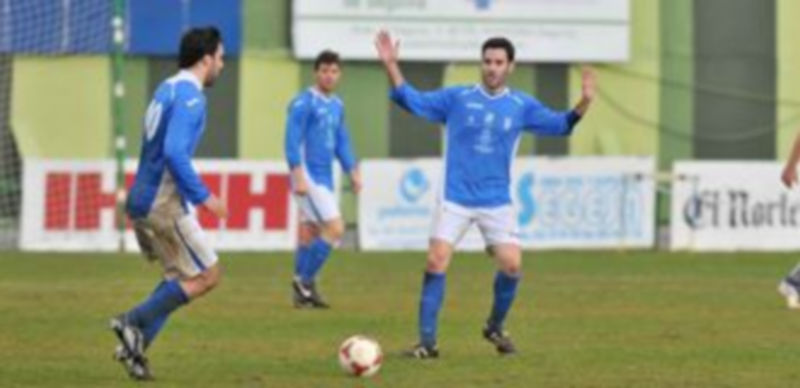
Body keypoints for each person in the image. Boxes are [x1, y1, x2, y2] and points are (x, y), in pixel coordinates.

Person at [374, 30, 595, 358]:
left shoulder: (521, 106)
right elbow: (410, 99)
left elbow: (562, 124)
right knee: (436, 261)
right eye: (487, 61)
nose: (492, 67)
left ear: (511, 66)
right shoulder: (457, 98)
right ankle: (427, 344)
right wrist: (391, 65)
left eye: (498, 62)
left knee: (511, 267)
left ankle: (494, 326)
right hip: (454, 197)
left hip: (496, 200)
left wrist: (584, 102)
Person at [110, 26, 227, 380]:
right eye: (220, 58)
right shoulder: (191, 97)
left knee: (177, 276)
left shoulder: (166, 88)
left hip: (142, 200)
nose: (222, 65)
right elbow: (175, 153)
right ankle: (132, 322)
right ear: (206, 59)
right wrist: (204, 196)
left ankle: (136, 350)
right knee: (208, 275)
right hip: (163, 204)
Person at [285, 50, 361, 308]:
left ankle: (302, 294)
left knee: (309, 233)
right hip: (307, 176)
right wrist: (297, 174)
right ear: (316, 73)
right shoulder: (303, 102)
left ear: (339, 74)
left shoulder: (337, 105)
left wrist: (353, 169)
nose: (329, 76)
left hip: (325, 177)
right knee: (336, 228)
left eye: (334, 71)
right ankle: (304, 281)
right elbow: (291, 140)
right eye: (324, 71)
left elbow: (342, 141)